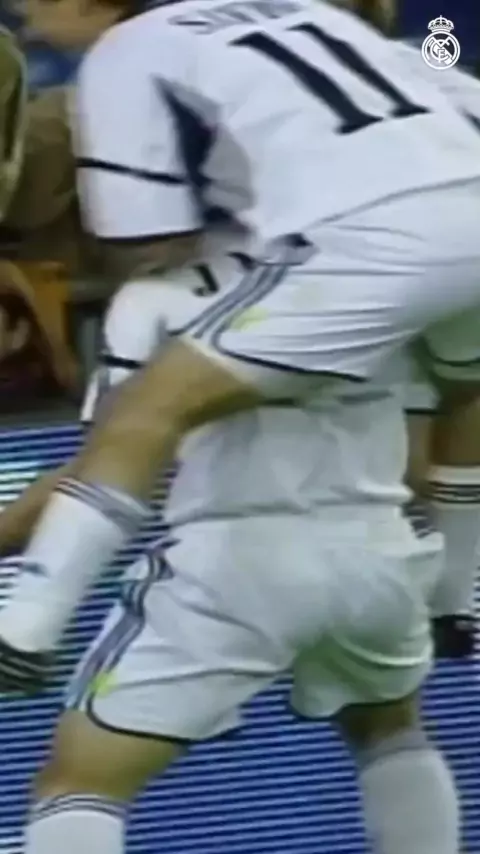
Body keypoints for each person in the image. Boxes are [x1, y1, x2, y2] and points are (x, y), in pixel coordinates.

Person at [2, 0, 480, 852]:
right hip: (377, 553)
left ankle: (25, 626)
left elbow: (102, 468)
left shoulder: (156, 300)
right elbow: (442, 425)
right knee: (392, 733)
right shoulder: (377, 272)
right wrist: (451, 575)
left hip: (229, 570)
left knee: (80, 784)